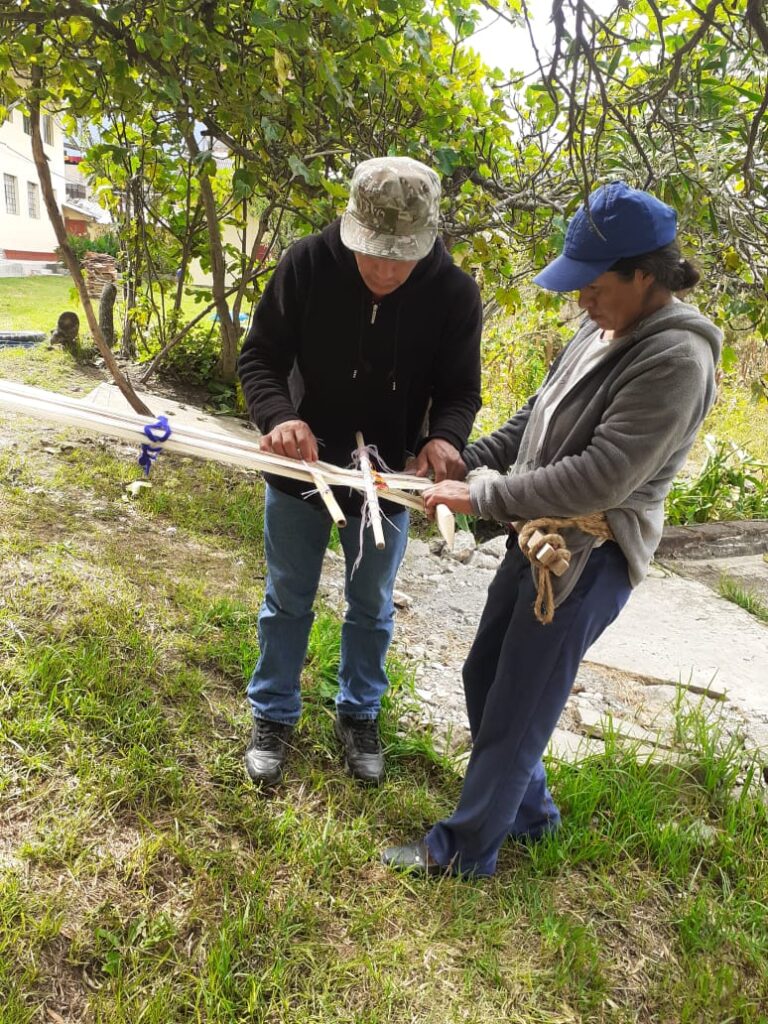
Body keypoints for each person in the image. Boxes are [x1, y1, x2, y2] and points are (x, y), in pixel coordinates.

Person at [382, 180, 722, 876]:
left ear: (643, 274)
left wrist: (480, 496)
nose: (580, 299)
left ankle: (463, 851)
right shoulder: (603, 325)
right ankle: (530, 813)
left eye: (592, 284)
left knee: (519, 706)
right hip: (538, 534)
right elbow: (531, 422)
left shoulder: (676, 360)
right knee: (486, 673)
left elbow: (601, 476)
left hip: (585, 557)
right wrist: (460, 463)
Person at [237, 156, 482, 786]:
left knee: (371, 603)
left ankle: (359, 713)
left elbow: (460, 391)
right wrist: (279, 416)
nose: (382, 271)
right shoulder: (307, 265)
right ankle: (273, 714)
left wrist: (443, 440)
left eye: (399, 260)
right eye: (373, 255)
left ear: (425, 244)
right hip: (302, 466)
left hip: (389, 477)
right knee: (286, 597)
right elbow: (260, 358)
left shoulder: (454, 294)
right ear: (352, 231)